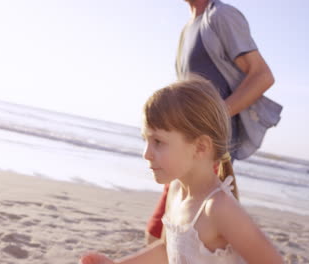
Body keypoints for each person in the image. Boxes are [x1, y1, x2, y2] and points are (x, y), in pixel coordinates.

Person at [79, 76, 283, 264]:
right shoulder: (176, 190)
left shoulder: (219, 208)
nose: (146, 153)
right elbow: (167, 250)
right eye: (145, 140)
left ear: (200, 147)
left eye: (158, 141)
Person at [145, 0, 283, 243]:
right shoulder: (188, 28)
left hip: (204, 152)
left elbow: (262, 75)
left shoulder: (221, 16)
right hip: (182, 148)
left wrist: (212, 117)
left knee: (173, 238)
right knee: (161, 235)